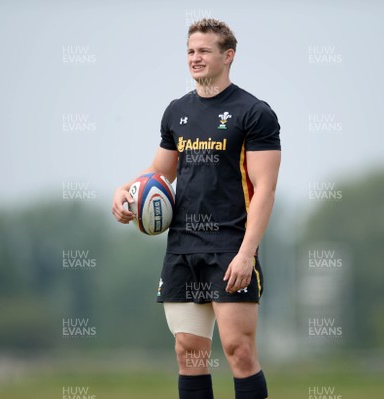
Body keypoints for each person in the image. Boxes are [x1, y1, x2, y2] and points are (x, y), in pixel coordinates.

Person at [112, 18, 281, 399]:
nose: (195, 58)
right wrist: (124, 189)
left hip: (230, 248)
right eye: (190, 51)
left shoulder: (254, 113)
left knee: (238, 351)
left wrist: (246, 254)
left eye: (204, 50)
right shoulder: (176, 111)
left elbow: (265, 190)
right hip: (182, 247)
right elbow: (160, 172)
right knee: (188, 353)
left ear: (228, 56)